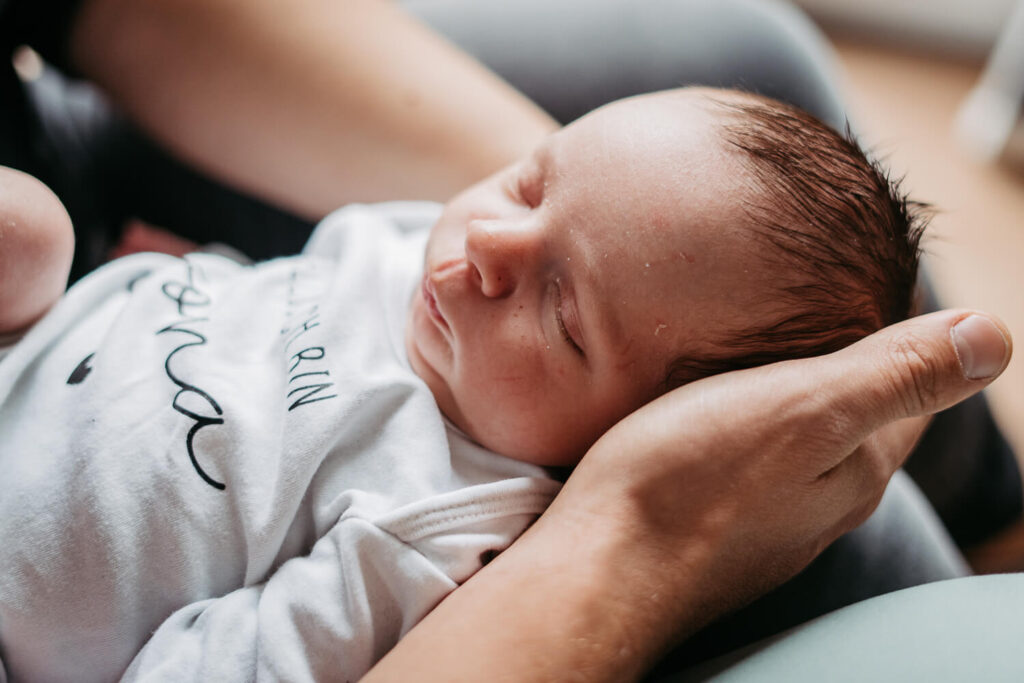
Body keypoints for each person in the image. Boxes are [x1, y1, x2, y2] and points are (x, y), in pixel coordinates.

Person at [0, 0, 1018, 678]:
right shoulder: (429, 257)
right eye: (531, 181)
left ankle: (988, 521)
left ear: (637, 430)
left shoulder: (431, 530)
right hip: (53, 335)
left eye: (564, 314)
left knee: (770, 65)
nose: (484, 242)